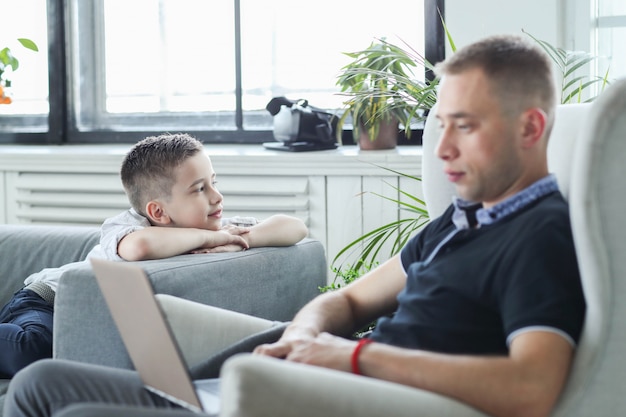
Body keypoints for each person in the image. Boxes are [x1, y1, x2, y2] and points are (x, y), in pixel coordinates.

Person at [4, 34, 585, 417]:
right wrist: (305, 335)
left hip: (344, 397)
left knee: (75, 410)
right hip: (305, 378)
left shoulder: (541, 235)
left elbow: (532, 388)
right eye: (441, 125)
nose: (442, 149)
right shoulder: (459, 224)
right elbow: (350, 298)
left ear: (531, 128)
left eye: (465, 126)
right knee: (38, 383)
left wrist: (352, 360)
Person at [0, 133, 308, 378]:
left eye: (214, 182)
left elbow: (295, 228)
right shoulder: (128, 228)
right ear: (158, 212)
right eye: (199, 189)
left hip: (98, 325)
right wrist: (213, 237)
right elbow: (139, 248)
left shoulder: (220, 228)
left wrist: (243, 238)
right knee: (32, 350)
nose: (217, 196)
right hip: (49, 302)